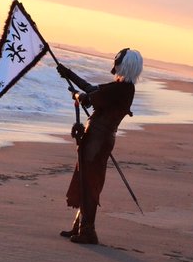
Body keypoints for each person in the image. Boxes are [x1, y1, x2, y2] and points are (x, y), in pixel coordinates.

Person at [55, 48, 143, 245]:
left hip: (97, 140)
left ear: (124, 65)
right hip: (100, 138)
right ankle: (80, 226)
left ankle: (88, 231)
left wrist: (76, 96)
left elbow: (87, 97)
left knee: (89, 182)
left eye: (117, 61)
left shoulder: (120, 89)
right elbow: (91, 89)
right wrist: (68, 74)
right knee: (87, 180)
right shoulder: (123, 88)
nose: (115, 64)